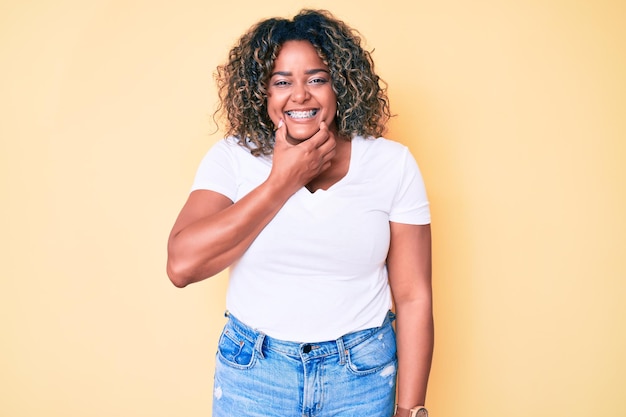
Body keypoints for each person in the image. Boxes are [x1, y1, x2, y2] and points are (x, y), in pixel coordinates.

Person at [167, 9, 433, 417]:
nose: (300, 95)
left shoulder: (391, 164)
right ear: (262, 93)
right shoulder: (233, 158)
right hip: (255, 374)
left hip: (359, 377)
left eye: (316, 78)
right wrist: (283, 181)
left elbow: (414, 297)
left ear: (340, 86)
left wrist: (411, 409)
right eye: (281, 82)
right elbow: (182, 266)